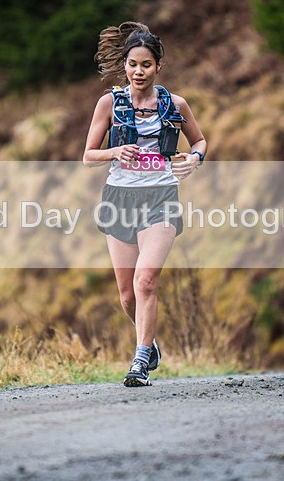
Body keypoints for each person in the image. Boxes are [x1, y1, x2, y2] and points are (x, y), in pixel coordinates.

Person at [83, 21, 207, 386]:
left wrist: (194, 159)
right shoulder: (109, 103)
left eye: (147, 65)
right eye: (133, 64)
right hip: (119, 198)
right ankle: (149, 344)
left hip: (161, 197)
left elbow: (199, 142)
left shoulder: (175, 103)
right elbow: (88, 156)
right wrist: (115, 151)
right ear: (124, 65)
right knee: (126, 296)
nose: (139, 71)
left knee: (146, 280)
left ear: (158, 67)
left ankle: (139, 362)